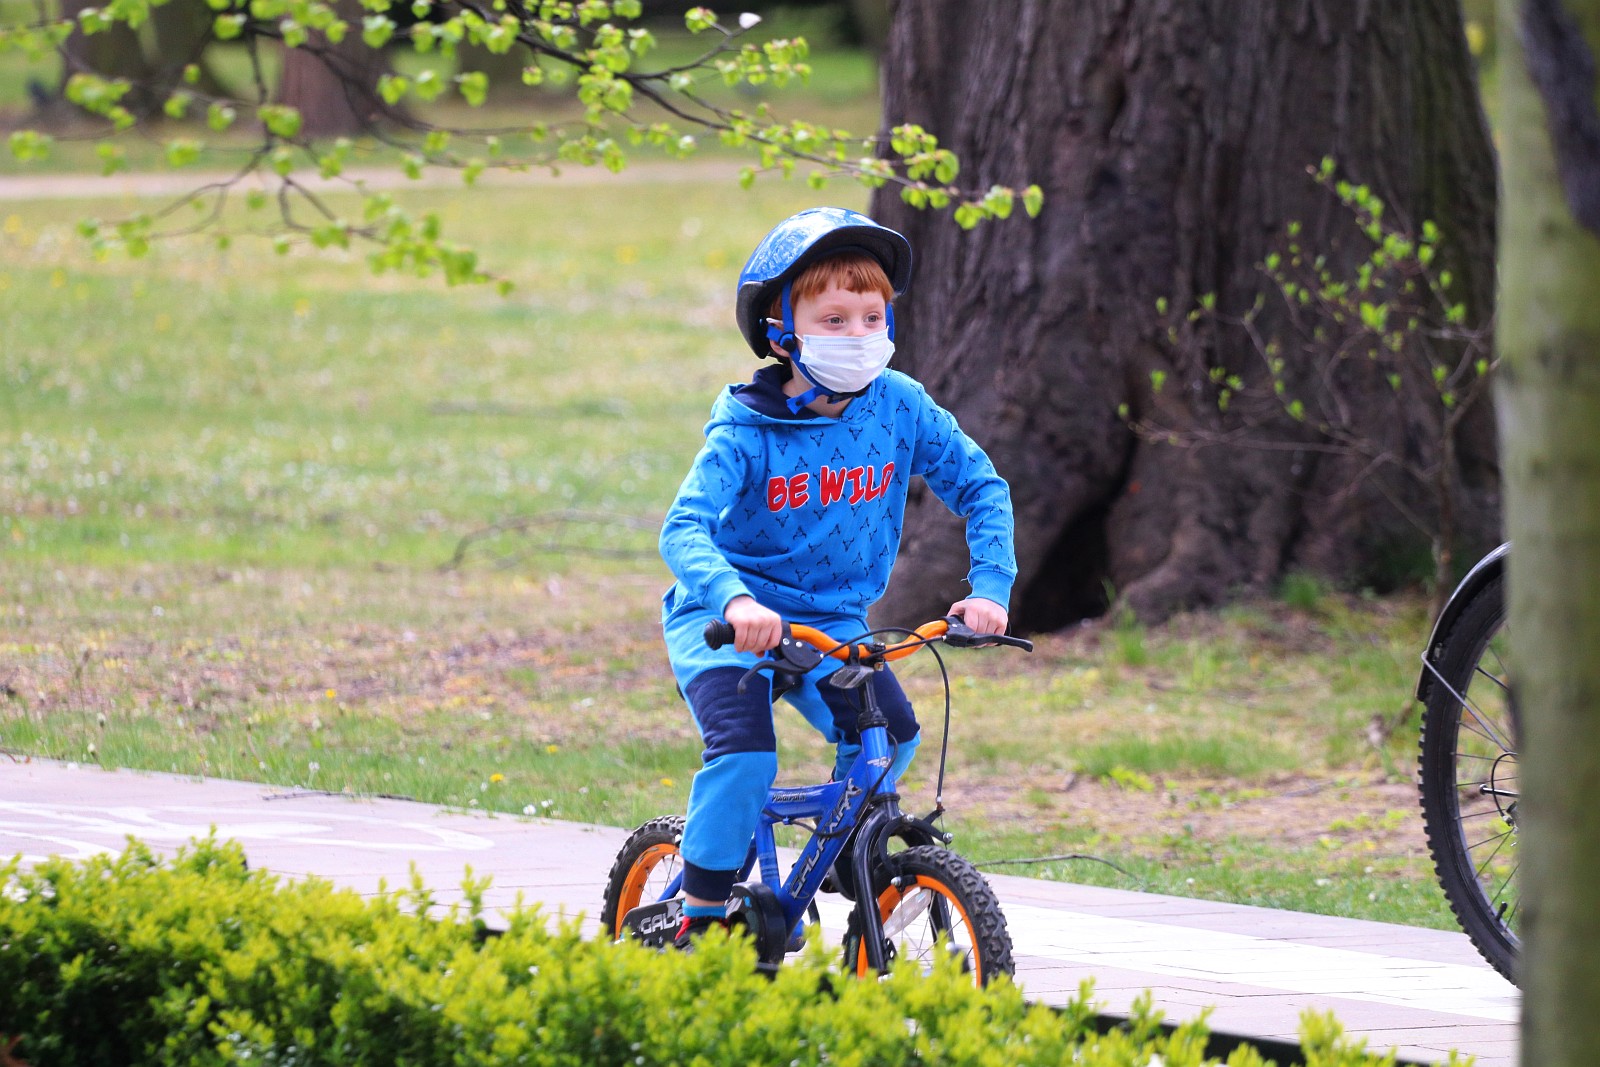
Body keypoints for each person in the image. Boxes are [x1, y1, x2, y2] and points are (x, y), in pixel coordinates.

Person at [657, 206, 1017, 948]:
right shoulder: (746, 429)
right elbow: (683, 528)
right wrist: (734, 598)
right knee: (745, 753)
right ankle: (695, 913)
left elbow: (982, 486)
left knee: (895, 738)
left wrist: (989, 588)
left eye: (872, 316)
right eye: (834, 318)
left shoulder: (899, 406)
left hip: (834, 623)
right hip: (728, 618)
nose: (859, 336)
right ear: (783, 331)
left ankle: (841, 861)